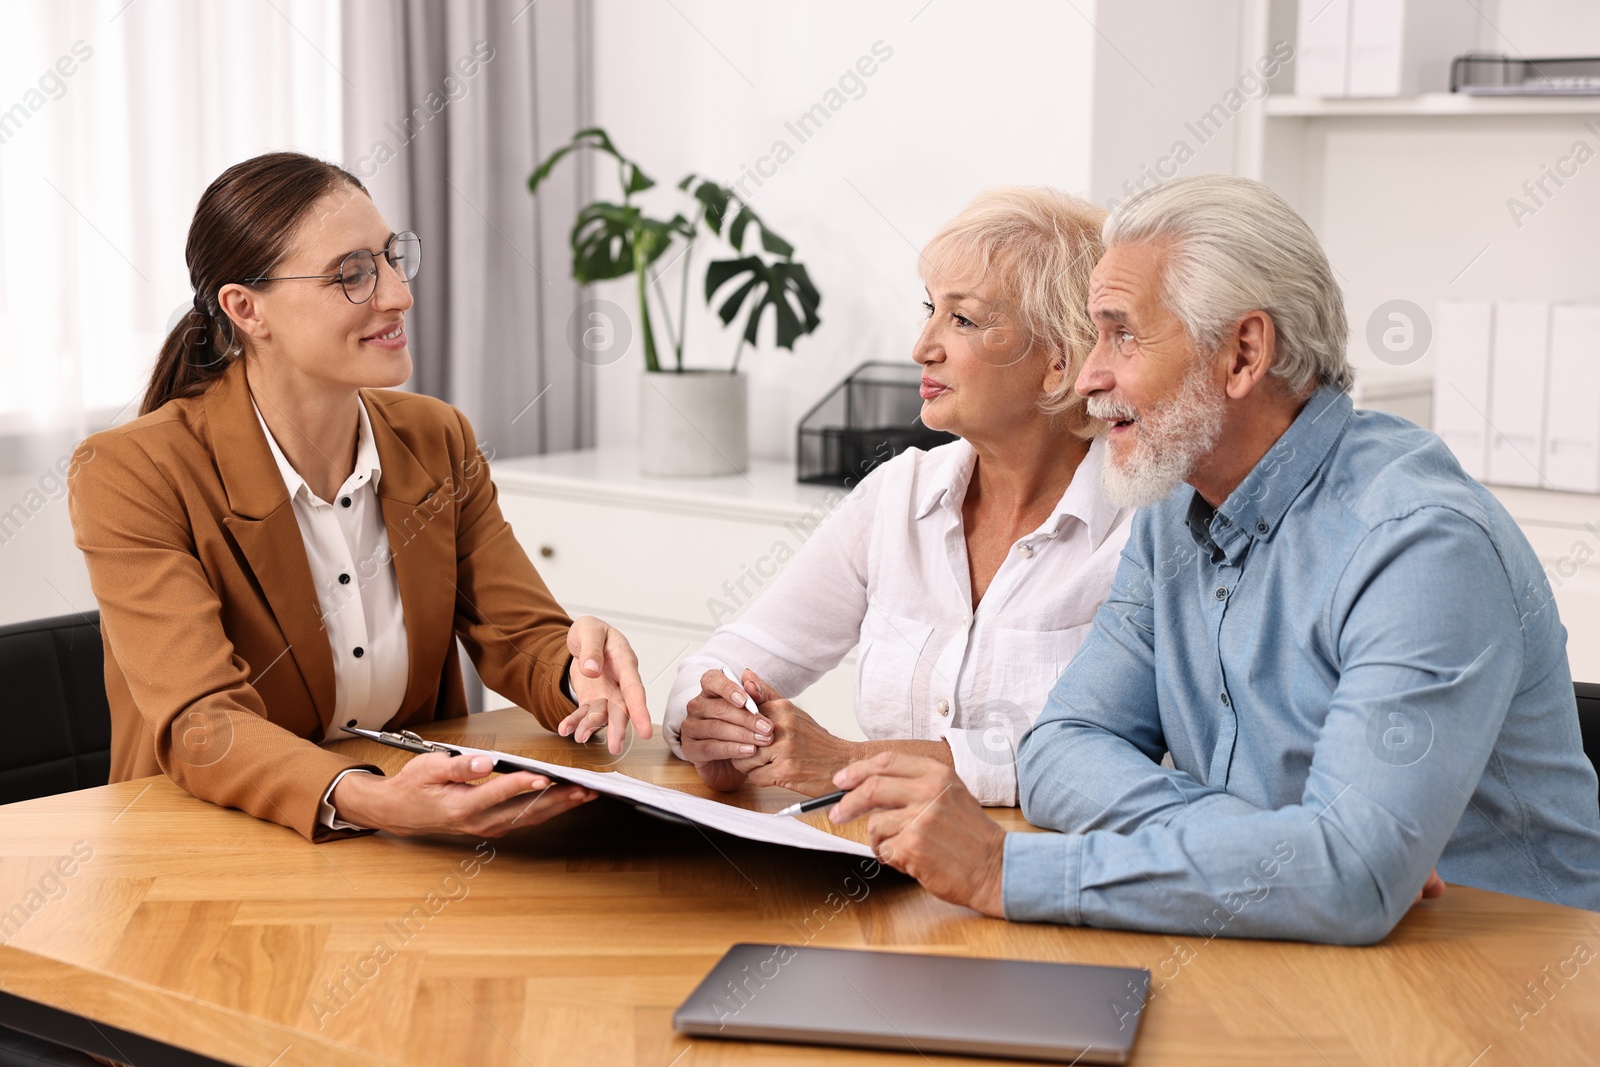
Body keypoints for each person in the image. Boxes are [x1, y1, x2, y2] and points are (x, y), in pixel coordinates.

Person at [827, 174, 1600, 943]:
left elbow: (1354, 882)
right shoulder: (1170, 507)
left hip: (1486, 991)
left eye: (1122, 333)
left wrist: (1006, 872)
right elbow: (1059, 751)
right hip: (1278, 949)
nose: (1090, 376)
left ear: (1243, 353)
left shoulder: (1422, 544)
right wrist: (1278, 844)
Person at [68, 152, 650, 842]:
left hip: (405, 837)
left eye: (392, 257)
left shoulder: (437, 439)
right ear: (246, 308)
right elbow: (205, 723)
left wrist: (576, 672)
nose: (399, 294)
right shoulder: (131, 471)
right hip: (207, 848)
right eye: (352, 274)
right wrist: (372, 801)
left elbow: (521, 634)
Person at [663, 187, 1132, 806]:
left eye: (962, 319)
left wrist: (857, 761)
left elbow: (1103, 752)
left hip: (1041, 874)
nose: (922, 347)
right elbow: (732, 658)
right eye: (929, 309)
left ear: (1059, 361)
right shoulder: (898, 494)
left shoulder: (1141, 528)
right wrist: (715, 723)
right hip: (875, 865)